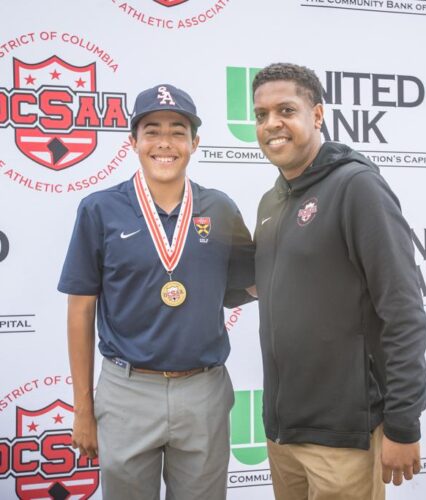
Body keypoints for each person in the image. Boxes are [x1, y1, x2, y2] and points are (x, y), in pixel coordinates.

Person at [58, 83, 255, 500]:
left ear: (194, 142)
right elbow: (80, 311)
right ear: (133, 141)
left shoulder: (220, 208)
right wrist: (82, 409)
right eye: (152, 130)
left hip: (203, 390)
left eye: (177, 131)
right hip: (127, 389)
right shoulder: (100, 209)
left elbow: (248, 284)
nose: (164, 143)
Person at [252, 63, 426, 500]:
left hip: (344, 436)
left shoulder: (357, 187)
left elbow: (403, 310)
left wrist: (403, 423)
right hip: (282, 436)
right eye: (260, 114)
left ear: (317, 115)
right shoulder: (271, 201)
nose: (271, 124)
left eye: (286, 110)